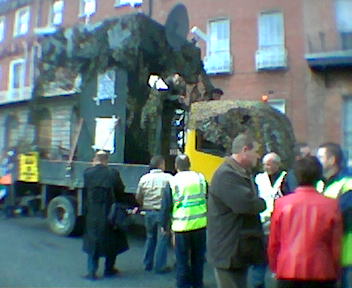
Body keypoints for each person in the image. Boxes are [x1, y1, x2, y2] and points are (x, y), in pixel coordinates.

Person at [268, 156, 343, 288]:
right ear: (318, 176)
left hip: (288, 268)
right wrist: (337, 270)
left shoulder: (281, 204)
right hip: (322, 270)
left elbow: (274, 242)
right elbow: (335, 244)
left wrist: (275, 267)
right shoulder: (331, 205)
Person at [207, 133, 266, 288]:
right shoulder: (227, 174)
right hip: (228, 251)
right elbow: (246, 205)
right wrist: (263, 203)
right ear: (245, 150)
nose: (258, 156)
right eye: (256, 151)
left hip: (236, 250)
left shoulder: (239, 173)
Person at [160, 154, 207, 288]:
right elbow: (207, 198)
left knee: (182, 260)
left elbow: (166, 206)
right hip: (200, 225)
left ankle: (183, 284)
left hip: (181, 227)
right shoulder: (200, 179)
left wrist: (164, 225)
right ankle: (198, 283)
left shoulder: (173, 182)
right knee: (198, 259)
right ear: (189, 164)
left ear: (176, 166)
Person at [82, 151, 129, 280]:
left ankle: (92, 271)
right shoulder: (113, 174)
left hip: (93, 213)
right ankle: (109, 269)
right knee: (112, 240)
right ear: (106, 160)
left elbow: (85, 192)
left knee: (93, 242)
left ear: (95, 160)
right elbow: (120, 191)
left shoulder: (87, 173)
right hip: (109, 213)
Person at [249, 152, 287, 288]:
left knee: (279, 256)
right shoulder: (258, 178)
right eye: (265, 164)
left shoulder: (285, 178)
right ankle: (257, 283)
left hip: (279, 223)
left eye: (269, 164)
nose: (266, 167)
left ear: (277, 164)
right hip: (261, 223)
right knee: (259, 258)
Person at [317, 143, 352, 288]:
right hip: (327, 253)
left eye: (320, 157)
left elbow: (341, 215)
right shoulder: (318, 184)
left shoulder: (348, 184)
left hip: (347, 254)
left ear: (332, 160)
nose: (317, 161)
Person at [135, 155, 173, 273]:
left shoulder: (144, 179)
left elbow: (138, 196)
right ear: (161, 165)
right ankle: (160, 266)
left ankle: (147, 263)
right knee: (163, 238)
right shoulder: (168, 178)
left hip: (148, 211)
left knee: (150, 237)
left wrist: (143, 204)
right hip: (162, 213)